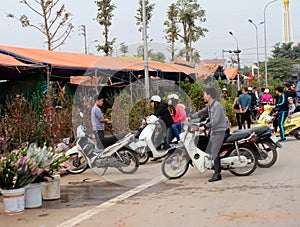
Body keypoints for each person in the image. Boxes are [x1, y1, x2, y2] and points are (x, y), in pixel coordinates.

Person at [191, 87, 227, 182]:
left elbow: (215, 120)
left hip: (220, 131)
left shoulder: (216, 105)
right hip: (214, 131)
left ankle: (217, 174)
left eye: (204, 94)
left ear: (209, 95)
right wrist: (190, 117)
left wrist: (205, 127)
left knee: (214, 152)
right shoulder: (210, 106)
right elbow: (202, 112)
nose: (203, 96)